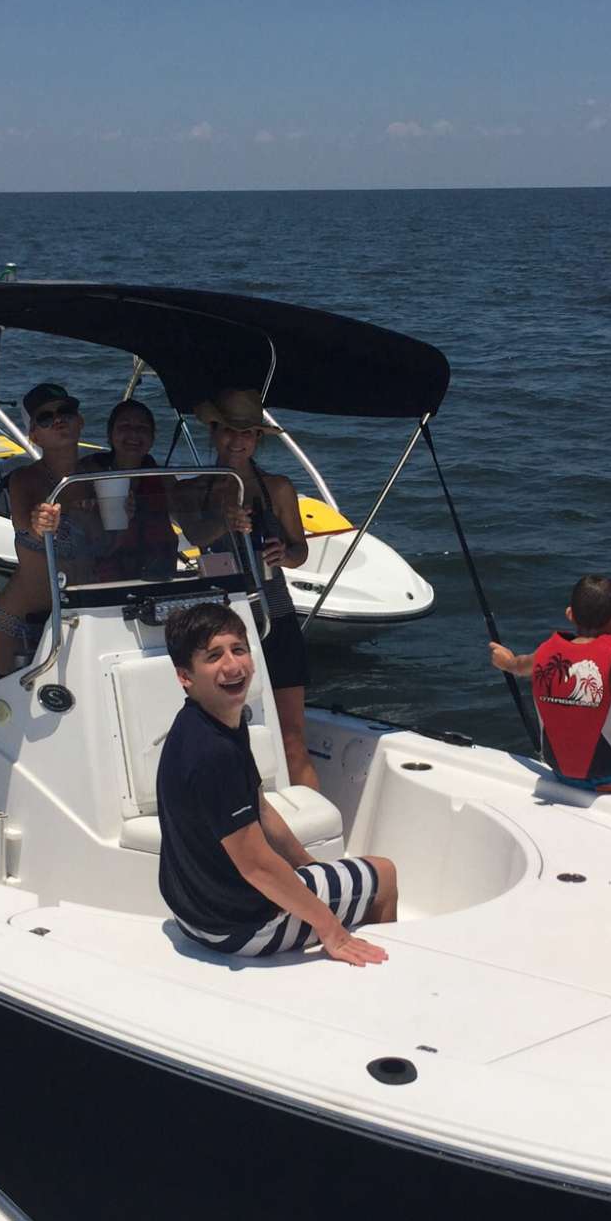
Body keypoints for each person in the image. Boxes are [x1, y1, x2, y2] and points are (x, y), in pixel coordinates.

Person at [156, 602, 397, 962]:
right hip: (238, 928)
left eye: (238, 649)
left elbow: (261, 808)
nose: (233, 665)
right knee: (384, 874)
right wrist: (332, 931)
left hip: (192, 911)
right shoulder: (214, 753)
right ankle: (385, 976)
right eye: (213, 656)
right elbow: (257, 866)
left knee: (323, 876)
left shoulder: (206, 720)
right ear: (184, 676)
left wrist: (308, 866)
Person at [179, 390, 318, 790]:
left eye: (248, 434)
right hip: (224, 626)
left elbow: (299, 549)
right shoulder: (196, 489)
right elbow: (194, 533)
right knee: (234, 732)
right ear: (214, 432)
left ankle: (312, 827)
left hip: (277, 613)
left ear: (258, 439)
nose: (237, 442)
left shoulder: (278, 488)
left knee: (292, 736)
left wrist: (284, 555)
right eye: (229, 432)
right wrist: (223, 521)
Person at [489, 574, 611, 801]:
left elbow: (517, 666)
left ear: (570, 614)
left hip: (562, 775)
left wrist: (504, 661)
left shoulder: (544, 654)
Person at [0, 383, 101, 675]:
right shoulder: (24, 479)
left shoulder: (100, 476)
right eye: (46, 417)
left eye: (65, 411)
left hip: (85, 614)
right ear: (34, 435)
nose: (58, 420)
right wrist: (40, 523)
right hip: (22, 622)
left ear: (81, 421)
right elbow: (25, 521)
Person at [75, 400, 179, 581]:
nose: (134, 433)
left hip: (159, 576)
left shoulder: (164, 478)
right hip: (104, 581)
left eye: (142, 427)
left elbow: (189, 518)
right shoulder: (88, 475)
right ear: (110, 434)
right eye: (125, 426)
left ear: (153, 437)